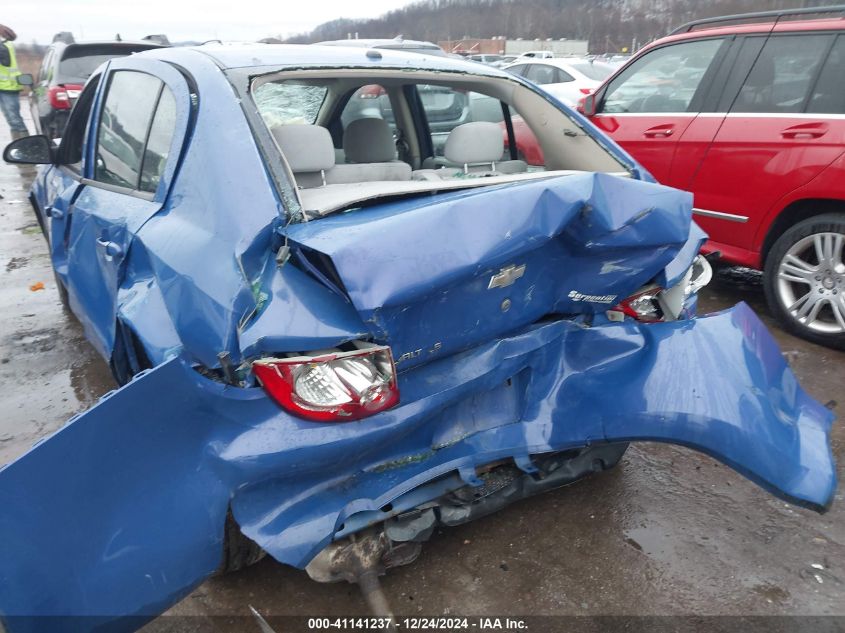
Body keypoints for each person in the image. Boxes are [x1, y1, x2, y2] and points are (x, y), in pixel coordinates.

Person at [0, 24, 28, 140]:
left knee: (14, 119)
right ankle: (17, 145)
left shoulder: (4, 47)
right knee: (11, 119)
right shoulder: (6, 45)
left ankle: (25, 144)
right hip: (4, 87)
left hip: (8, 87)